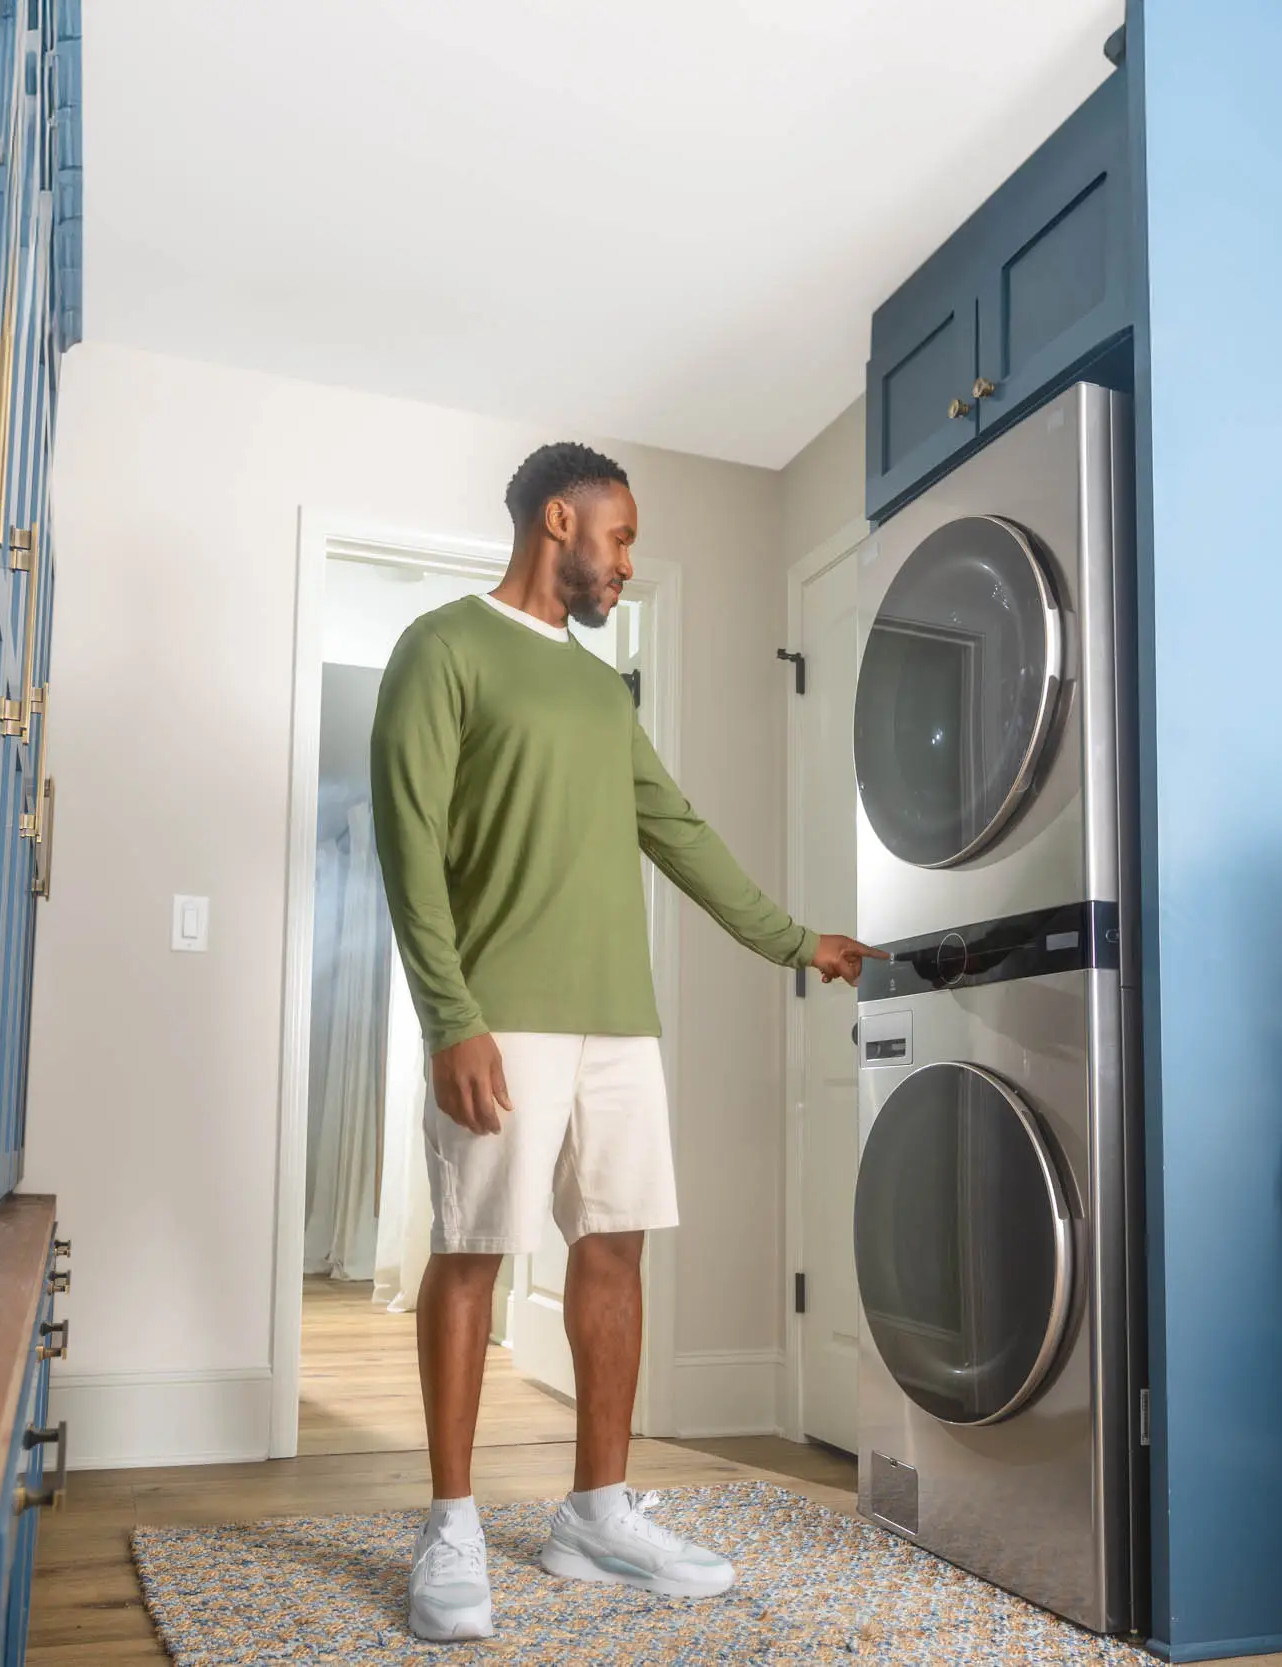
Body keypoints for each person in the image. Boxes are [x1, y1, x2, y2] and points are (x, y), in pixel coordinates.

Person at [370, 441, 880, 1642]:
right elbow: (407, 839)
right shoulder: (442, 647)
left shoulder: (604, 690)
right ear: (561, 521)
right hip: (497, 1012)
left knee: (615, 1250)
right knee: (473, 1250)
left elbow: (677, 828)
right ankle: (450, 1524)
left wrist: (793, 939)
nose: (626, 561)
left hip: (617, 1019)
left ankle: (596, 1511)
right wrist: (451, 1016)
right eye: (621, 538)